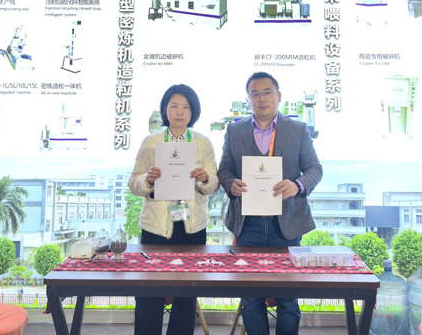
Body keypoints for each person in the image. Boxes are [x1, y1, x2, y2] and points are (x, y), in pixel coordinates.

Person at [217, 71, 323, 335]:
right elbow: (224, 169)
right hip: (248, 225)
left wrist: (297, 185)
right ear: (248, 99)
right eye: (255, 94)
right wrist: (231, 184)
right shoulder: (234, 130)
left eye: (267, 92)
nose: (262, 98)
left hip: (286, 226)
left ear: (279, 96)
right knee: (251, 298)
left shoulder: (298, 130)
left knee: (288, 298)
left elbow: (314, 169)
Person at [128, 84, 219, 335]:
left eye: (186, 107)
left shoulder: (203, 142)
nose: (180, 112)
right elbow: (133, 183)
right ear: (165, 109)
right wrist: (148, 179)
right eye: (174, 106)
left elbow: (214, 185)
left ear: (193, 111)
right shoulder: (151, 142)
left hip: (192, 229)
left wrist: (205, 178)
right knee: (149, 294)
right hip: (156, 228)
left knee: (186, 296)